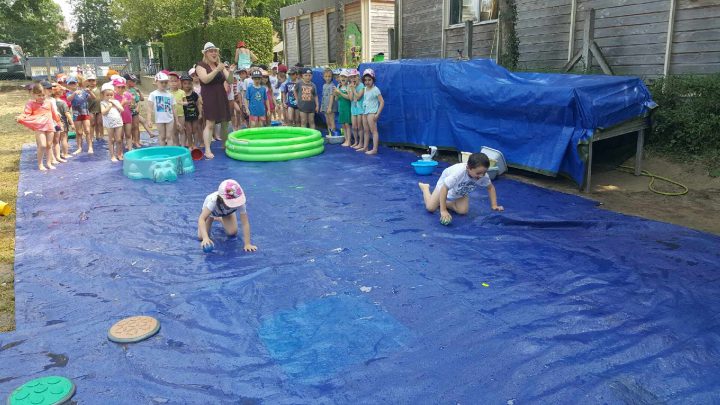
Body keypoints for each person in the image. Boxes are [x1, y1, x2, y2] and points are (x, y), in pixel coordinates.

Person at [418, 153, 504, 224]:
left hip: (462, 189)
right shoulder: (458, 173)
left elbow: (490, 188)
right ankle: (425, 188)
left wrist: (494, 205)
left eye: (484, 172)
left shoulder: (483, 176)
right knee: (430, 208)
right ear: (468, 168)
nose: (481, 175)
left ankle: (441, 202)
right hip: (445, 185)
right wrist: (443, 210)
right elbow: (444, 189)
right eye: (478, 173)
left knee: (462, 211)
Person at [195, 42, 235, 159]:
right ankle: (207, 150)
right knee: (210, 124)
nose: (214, 53)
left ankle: (225, 145)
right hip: (209, 96)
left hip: (221, 95)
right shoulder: (200, 66)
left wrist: (231, 71)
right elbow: (205, 80)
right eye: (211, 51)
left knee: (225, 122)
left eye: (215, 51)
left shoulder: (220, 65)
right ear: (205, 53)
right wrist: (217, 69)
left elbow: (230, 80)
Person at [198, 179, 257, 253]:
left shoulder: (239, 201)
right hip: (210, 213)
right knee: (201, 237)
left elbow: (245, 223)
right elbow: (202, 219)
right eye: (232, 203)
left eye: (235, 202)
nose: (234, 204)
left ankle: (220, 218)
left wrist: (247, 244)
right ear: (221, 199)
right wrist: (205, 238)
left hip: (227, 213)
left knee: (232, 233)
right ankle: (214, 218)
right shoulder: (213, 201)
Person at [16, 83, 61, 171]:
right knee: (42, 145)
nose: (41, 97)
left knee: (49, 145)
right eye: (39, 95)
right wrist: (21, 117)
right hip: (39, 126)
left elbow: (54, 114)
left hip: (50, 125)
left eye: (43, 95)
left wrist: (59, 123)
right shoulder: (31, 103)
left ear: (46, 94)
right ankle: (40, 164)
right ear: (34, 95)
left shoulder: (49, 102)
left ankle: (48, 163)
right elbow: (26, 113)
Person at [66, 76, 95, 154]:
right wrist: (74, 93)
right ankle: (79, 148)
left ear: (77, 83)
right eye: (70, 83)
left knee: (87, 131)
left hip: (85, 112)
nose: (72, 85)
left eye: (74, 83)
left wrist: (90, 92)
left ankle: (90, 147)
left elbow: (93, 98)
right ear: (68, 85)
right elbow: (69, 99)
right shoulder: (69, 93)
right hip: (76, 114)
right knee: (79, 132)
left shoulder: (83, 91)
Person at [147, 71, 176, 146]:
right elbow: (149, 108)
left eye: (165, 82)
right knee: (162, 136)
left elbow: (174, 108)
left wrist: (177, 121)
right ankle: (163, 152)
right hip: (159, 119)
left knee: (169, 136)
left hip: (170, 119)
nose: (164, 84)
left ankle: (170, 153)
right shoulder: (153, 94)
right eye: (161, 82)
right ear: (156, 82)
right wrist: (149, 120)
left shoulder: (170, 95)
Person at [125, 74, 153, 147]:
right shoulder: (124, 90)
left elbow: (138, 100)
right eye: (133, 81)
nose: (135, 83)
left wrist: (137, 107)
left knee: (136, 126)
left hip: (134, 111)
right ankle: (129, 141)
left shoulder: (133, 90)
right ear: (128, 81)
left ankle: (137, 141)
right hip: (127, 112)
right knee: (128, 127)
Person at [360, 68, 384, 155]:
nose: (367, 82)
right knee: (366, 130)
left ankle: (374, 149)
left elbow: (382, 102)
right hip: (365, 112)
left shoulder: (375, 89)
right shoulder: (365, 88)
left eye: (369, 80)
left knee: (374, 131)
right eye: (365, 80)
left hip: (371, 113)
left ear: (373, 80)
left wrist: (377, 113)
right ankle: (365, 147)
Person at [100, 82, 125, 162]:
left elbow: (122, 110)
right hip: (109, 124)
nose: (109, 97)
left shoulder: (116, 102)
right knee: (111, 139)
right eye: (107, 95)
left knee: (119, 139)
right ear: (103, 95)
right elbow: (103, 112)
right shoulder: (103, 103)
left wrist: (116, 104)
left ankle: (119, 154)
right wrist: (109, 106)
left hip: (118, 122)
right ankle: (112, 156)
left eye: (111, 95)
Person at [52, 83, 74, 161]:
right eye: (62, 91)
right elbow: (67, 113)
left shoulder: (51, 102)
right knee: (64, 139)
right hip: (62, 123)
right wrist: (72, 123)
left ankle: (57, 155)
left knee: (56, 141)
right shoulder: (62, 103)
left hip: (54, 123)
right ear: (60, 93)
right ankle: (65, 154)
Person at [112, 76, 134, 152]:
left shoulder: (127, 94)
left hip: (127, 117)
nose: (121, 89)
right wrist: (122, 103)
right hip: (118, 118)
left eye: (122, 87)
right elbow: (114, 109)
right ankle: (120, 152)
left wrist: (132, 105)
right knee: (120, 137)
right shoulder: (112, 96)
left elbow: (132, 105)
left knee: (128, 134)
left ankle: (130, 150)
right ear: (114, 87)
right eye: (119, 87)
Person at [181, 74, 202, 149]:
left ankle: (195, 145)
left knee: (195, 130)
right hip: (186, 116)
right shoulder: (181, 94)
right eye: (185, 83)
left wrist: (200, 114)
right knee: (189, 131)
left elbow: (199, 104)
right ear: (182, 84)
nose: (187, 85)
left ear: (191, 84)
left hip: (194, 114)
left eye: (189, 83)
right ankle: (190, 145)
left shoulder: (194, 94)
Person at [334, 69, 352, 146]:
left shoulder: (349, 87)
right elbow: (336, 99)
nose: (343, 78)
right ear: (339, 78)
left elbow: (349, 98)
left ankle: (349, 141)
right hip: (341, 108)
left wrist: (340, 92)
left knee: (347, 125)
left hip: (347, 108)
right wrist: (336, 94)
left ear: (348, 78)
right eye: (342, 76)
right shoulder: (339, 86)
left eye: (345, 76)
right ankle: (346, 140)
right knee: (343, 125)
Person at [349, 69, 365, 150]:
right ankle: (356, 141)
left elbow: (358, 97)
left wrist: (354, 89)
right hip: (353, 108)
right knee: (354, 127)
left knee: (359, 127)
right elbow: (351, 98)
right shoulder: (351, 86)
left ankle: (361, 143)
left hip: (360, 109)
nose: (353, 79)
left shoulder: (362, 86)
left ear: (358, 77)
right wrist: (352, 89)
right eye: (351, 77)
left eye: (355, 76)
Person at [168, 72, 186, 146]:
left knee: (181, 130)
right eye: (171, 81)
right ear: (168, 82)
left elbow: (186, 102)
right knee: (174, 132)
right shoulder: (167, 93)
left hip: (180, 114)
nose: (173, 83)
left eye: (175, 81)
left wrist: (182, 103)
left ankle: (183, 146)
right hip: (171, 116)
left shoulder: (181, 92)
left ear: (178, 82)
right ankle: (176, 145)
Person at [85, 74, 102, 141]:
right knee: (92, 123)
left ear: (96, 81)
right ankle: (91, 137)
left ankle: (99, 135)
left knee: (99, 123)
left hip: (99, 108)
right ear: (87, 82)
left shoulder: (100, 89)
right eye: (90, 81)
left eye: (93, 80)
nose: (92, 82)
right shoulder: (86, 90)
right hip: (90, 109)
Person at [321, 68, 338, 137]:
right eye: (326, 76)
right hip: (325, 106)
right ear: (323, 77)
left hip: (331, 106)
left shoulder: (332, 86)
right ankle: (329, 133)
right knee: (327, 121)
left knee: (331, 120)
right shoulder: (324, 85)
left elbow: (332, 97)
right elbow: (323, 96)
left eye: (329, 76)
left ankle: (333, 133)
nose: (327, 78)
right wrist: (321, 106)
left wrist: (330, 107)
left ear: (332, 77)